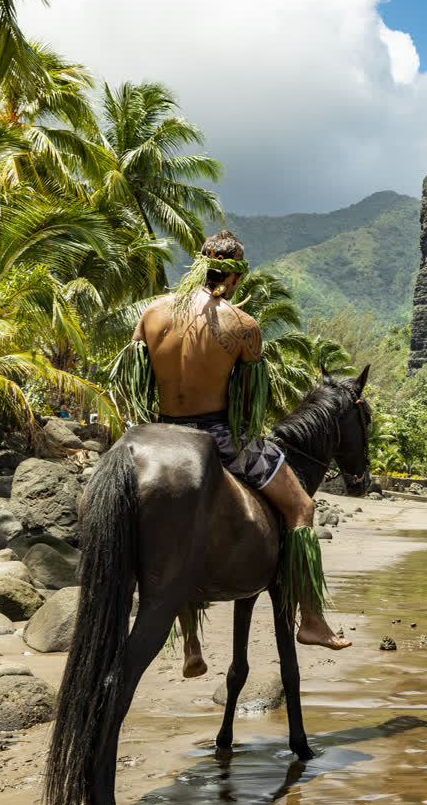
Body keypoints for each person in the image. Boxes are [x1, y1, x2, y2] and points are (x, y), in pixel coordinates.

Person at [129, 230, 350, 677]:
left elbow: (137, 384)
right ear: (233, 277)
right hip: (219, 437)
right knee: (303, 507)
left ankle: (191, 642)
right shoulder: (243, 327)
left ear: (199, 266)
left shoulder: (151, 313)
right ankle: (311, 619)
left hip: (159, 432)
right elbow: (247, 408)